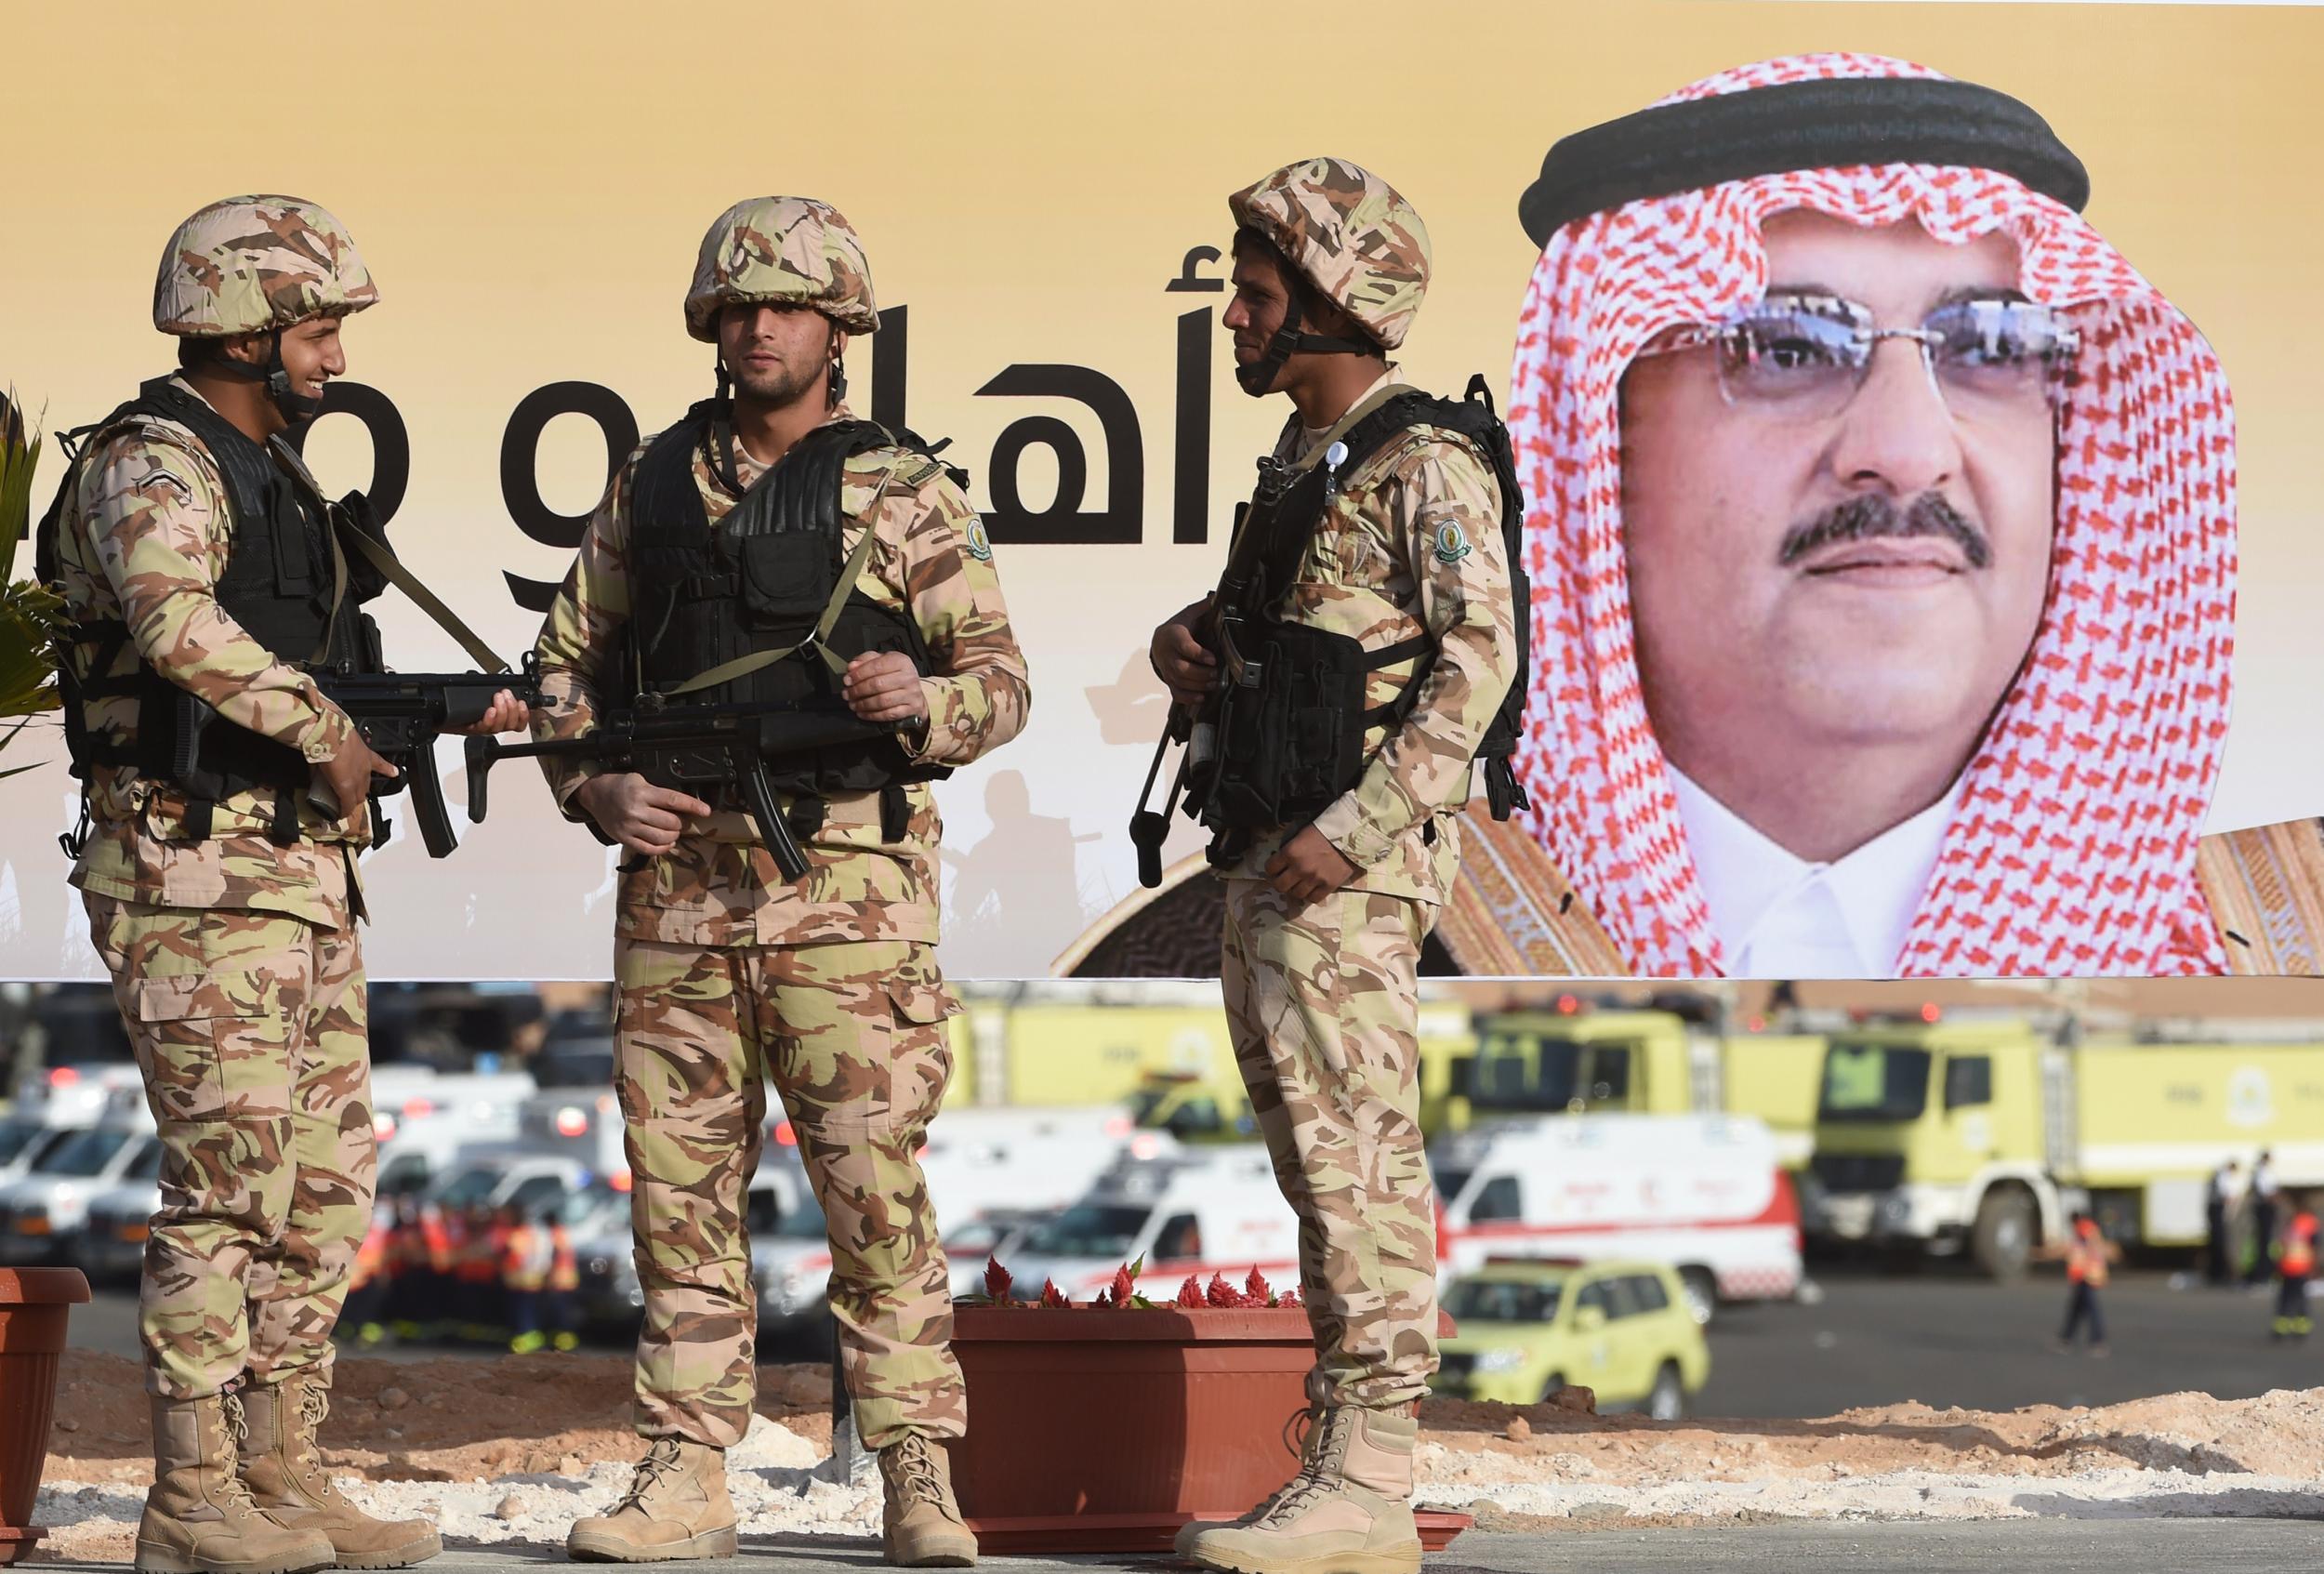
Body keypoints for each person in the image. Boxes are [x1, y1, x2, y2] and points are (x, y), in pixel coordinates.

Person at [1444, 51, 2324, 978]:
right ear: (1595, 450)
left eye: (1991, 345)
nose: (1909, 450)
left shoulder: (2272, 969)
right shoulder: (1351, 946)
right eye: (1785, 348)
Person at [533, 195, 1028, 1566]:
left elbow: (1001, 684)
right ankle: (685, 1467)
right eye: (738, 306)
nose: (758, 327)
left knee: (875, 1186)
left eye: (788, 304)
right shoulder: (650, 485)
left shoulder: (902, 490)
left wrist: (919, 695)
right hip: (678, 898)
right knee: (676, 1187)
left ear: (841, 327)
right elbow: (565, 666)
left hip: (847, 899)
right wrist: (595, 789)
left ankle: (918, 1468)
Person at [36, 195, 524, 1574]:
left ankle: (279, 1472)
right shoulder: (154, 464)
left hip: (295, 870)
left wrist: (449, 712)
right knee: (229, 1184)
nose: (335, 357)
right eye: (317, 329)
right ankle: (191, 1500)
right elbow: (173, 620)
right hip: (193, 867)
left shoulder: (282, 478)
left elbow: (320, 658)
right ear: (245, 330)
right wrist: (326, 729)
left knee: (319, 1186)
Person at [1149, 158, 1519, 1574]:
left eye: (1253, 298)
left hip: (1340, 878)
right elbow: (1318, 641)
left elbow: (1477, 665)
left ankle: (1372, 1475)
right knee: (1317, 1163)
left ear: (1331, 304)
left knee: (1360, 1162)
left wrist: (1352, 832)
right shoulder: (1308, 466)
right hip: (1274, 863)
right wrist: (1192, 645)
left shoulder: (1427, 460)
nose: (1232, 321)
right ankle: (1344, 1460)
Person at [2046, 1213, 2116, 1356]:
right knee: (2076, 1310)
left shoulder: (2084, 1228)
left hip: (2087, 1276)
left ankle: (2096, 1341)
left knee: (2090, 1310)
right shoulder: (2089, 1228)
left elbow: (2086, 1247)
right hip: (2084, 1275)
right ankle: (2066, 1339)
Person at [2271, 1200, 2317, 1341]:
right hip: (2300, 1267)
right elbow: (2314, 1246)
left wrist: (2277, 1265)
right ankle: (2300, 1327)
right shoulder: (2310, 1223)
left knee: (2286, 1298)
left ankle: (2282, 1328)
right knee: (2299, 1298)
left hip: (2289, 1267)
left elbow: (2280, 1247)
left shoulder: (2290, 1225)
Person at [2206, 1158, 2242, 1287]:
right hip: (2219, 1211)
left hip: (2220, 1212)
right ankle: (2219, 1272)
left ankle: (2219, 1272)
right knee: (2220, 1242)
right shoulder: (2223, 1177)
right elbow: (2227, 1194)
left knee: (2220, 1241)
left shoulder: (2222, 1176)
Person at [2249, 1150, 2281, 1288]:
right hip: (2265, 1208)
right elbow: (2265, 1191)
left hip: (2267, 1207)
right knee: (2264, 1241)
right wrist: (2273, 1199)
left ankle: (2266, 1272)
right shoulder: (2261, 1172)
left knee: (2266, 1241)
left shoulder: (2266, 1171)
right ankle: (2263, 1274)